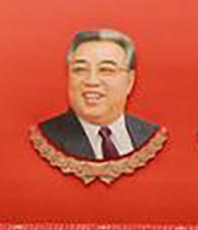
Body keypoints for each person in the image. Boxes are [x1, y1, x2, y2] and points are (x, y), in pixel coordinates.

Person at [38, 29, 160, 161]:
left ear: (129, 81)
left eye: (106, 70)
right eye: (80, 69)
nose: (92, 81)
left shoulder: (151, 135)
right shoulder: (45, 138)